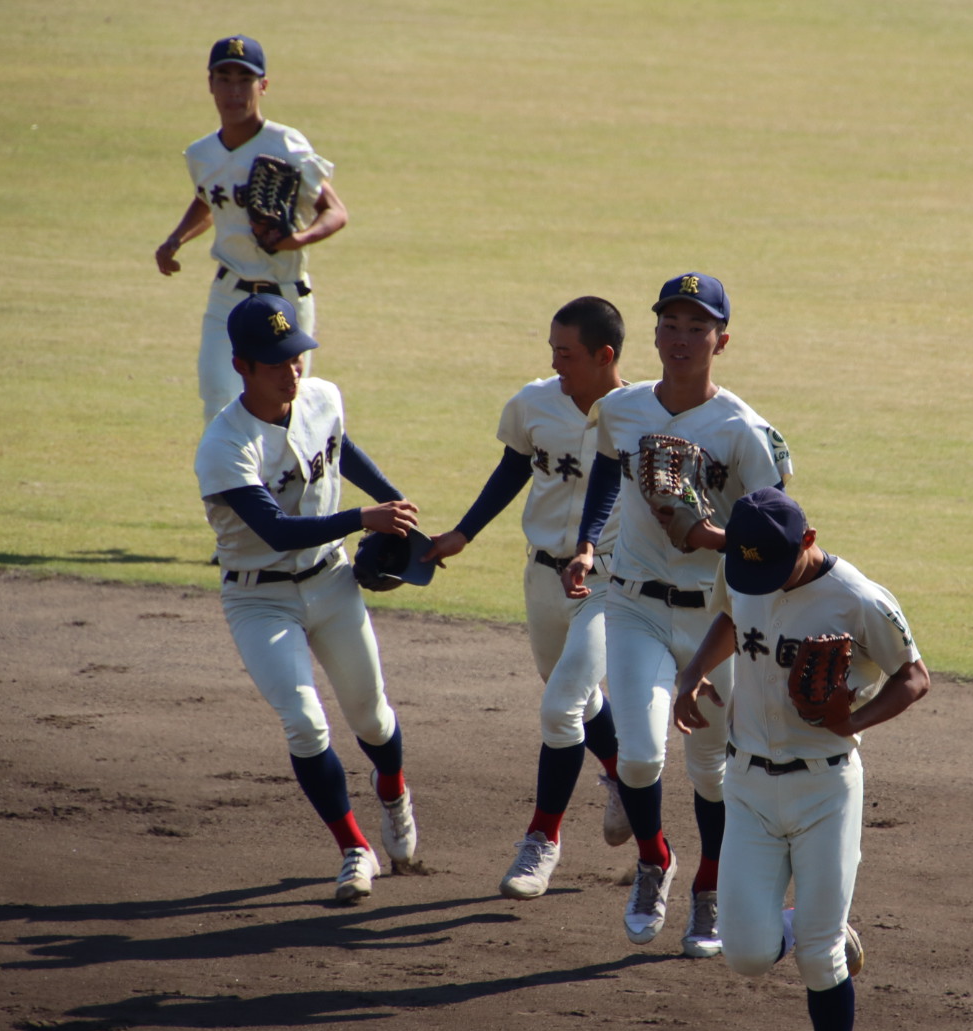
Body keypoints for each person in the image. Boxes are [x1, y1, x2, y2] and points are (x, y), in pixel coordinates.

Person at [562, 272, 792, 957]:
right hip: (632, 605)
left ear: (723, 339)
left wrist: (709, 535)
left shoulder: (746, 433)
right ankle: (656, 861)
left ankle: (708, 888)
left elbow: (780, 535)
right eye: (671, 324)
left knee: (711, 768)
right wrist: (583, 544)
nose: (683, 339)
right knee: (636, 755)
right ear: (654, 332)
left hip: (715, 621)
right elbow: (608, 469)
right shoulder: (624, 409)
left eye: (699, 327)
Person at [673, 488, 930, 1031]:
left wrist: (854, 721)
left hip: (825, 790)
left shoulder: (857, 599)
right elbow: (732, 618)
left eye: (772, 567)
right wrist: (692, 673)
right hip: (747, 784)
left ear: (808, 541)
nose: (755, 579)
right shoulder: (744, 568)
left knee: (820, 959)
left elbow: (914, 677)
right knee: (745, 954)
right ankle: (809, 919)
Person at [194, 292, 419, 904]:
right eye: (277, 364)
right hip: (259, 600)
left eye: (297, 357)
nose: (293, 371)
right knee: (304, 721)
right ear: (242, 366)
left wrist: (396, 507)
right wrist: (361, 518)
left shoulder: (321, 396)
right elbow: (276, 531)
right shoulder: (224, 446)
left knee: (371, 714)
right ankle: (354, 849)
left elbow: (341, 449)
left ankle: (393, 791)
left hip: (331, 583)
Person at [421, 296, 633, 899]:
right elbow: (513, 466)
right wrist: (463, 533)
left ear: (604, 355)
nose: (555, 362)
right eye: (552, 351)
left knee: (563, 705)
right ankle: (621, 778)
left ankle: (543, 839)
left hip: (608, 581)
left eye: (566, 354)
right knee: (570, 688)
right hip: (542, 576)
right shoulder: (534, 402)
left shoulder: (641, 415)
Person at [157, 35, 348, 426]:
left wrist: (299, 238)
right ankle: (233, 489)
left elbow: (335, 211)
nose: (233, 90)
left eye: (244, 79)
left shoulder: (287, 146)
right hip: (228, 296)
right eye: (224, 78)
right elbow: (210, 199)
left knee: (282, 412)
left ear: (263, 85)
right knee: (218, 403)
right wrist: (175, 239)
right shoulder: (201, 154)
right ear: (210, 83)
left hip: (286, 298)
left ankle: (274, 489)